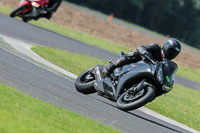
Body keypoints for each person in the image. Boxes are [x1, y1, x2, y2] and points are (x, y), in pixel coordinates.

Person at [104, 38, 182, 76]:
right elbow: (140, 47)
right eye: (171, 51)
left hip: (146, 72)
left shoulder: (166, 62)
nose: (172, 54)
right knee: (134, 54)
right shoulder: (156, 47)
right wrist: (145, 53)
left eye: (174, 53)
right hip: (138, 63)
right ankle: (112, 66)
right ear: (166, 46)